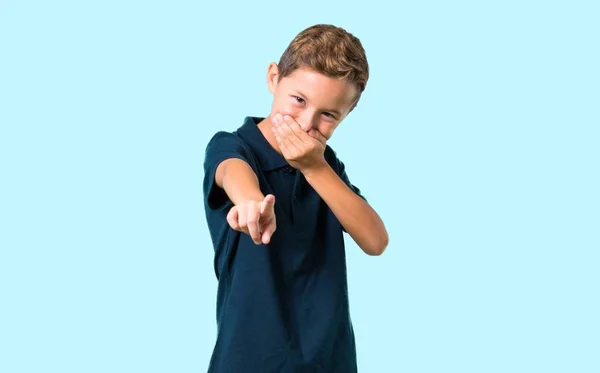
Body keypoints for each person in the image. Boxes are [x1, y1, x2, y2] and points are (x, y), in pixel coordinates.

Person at [202, 23, 389, 373]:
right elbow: (232, 172)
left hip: (329, 362)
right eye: (299, 100)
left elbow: (376, 240)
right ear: (274, 78)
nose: (306, 124)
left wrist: (314, 168)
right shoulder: (233, 145)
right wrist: (250, 204)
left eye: (328, 115)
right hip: (248, 360)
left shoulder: (326, 165)